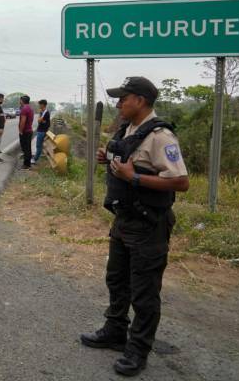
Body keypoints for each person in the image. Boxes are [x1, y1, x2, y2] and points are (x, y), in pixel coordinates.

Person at [80, 76, 189, 377]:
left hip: (148, 225)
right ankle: (115, 331)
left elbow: (181, 182)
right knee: (117, 280)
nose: (118, 103)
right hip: (124, 220)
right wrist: (110, 160)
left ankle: (138, 350)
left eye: (123, 98)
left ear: (140, 101)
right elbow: (129, 165)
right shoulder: (129, 131)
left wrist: (135, 179)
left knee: (144, 292)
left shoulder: (161, 136)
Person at [18, 95, 34, 169]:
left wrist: (21, 131)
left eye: (20, 100)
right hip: (29, 130)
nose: (19, 101)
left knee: (25, 148)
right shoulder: (30, 108)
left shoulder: (24, 109)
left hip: (25, 131)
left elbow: (23, 121)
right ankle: (28, 163)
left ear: (22, 101)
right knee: (28, 147)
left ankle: (26, 165)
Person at [32, 99, 50, 164]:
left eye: (40, 104)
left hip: (42, 131)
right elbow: (39, 120)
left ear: (43, 105)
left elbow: (39, 121)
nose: (39, 105)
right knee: (39, 145)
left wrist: (41, 120)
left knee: (38, 146)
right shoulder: (42, 112)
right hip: (40, 130)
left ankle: (35, 159)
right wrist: (41, 120)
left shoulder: (45, 112)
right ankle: (35, 158)